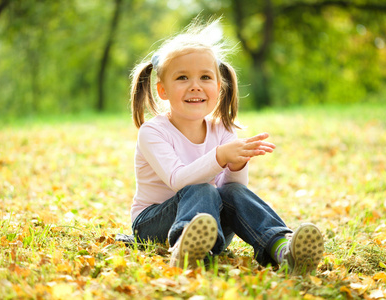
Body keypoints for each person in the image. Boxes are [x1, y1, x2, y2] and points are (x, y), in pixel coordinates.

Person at [128, 18, 324, 275]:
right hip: (154, 224)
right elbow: (178, 180)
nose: (195, 85)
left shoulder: (224, 129)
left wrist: (237, 164)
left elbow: (234, 190)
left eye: (205, 77)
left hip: (210, 228)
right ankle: (184, 250)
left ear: (218, 88)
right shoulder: (153, 132)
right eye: (183, 77)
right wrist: (219, 156)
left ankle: (282, 249)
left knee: (231, 192)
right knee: (201, 189)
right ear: (163, 91)